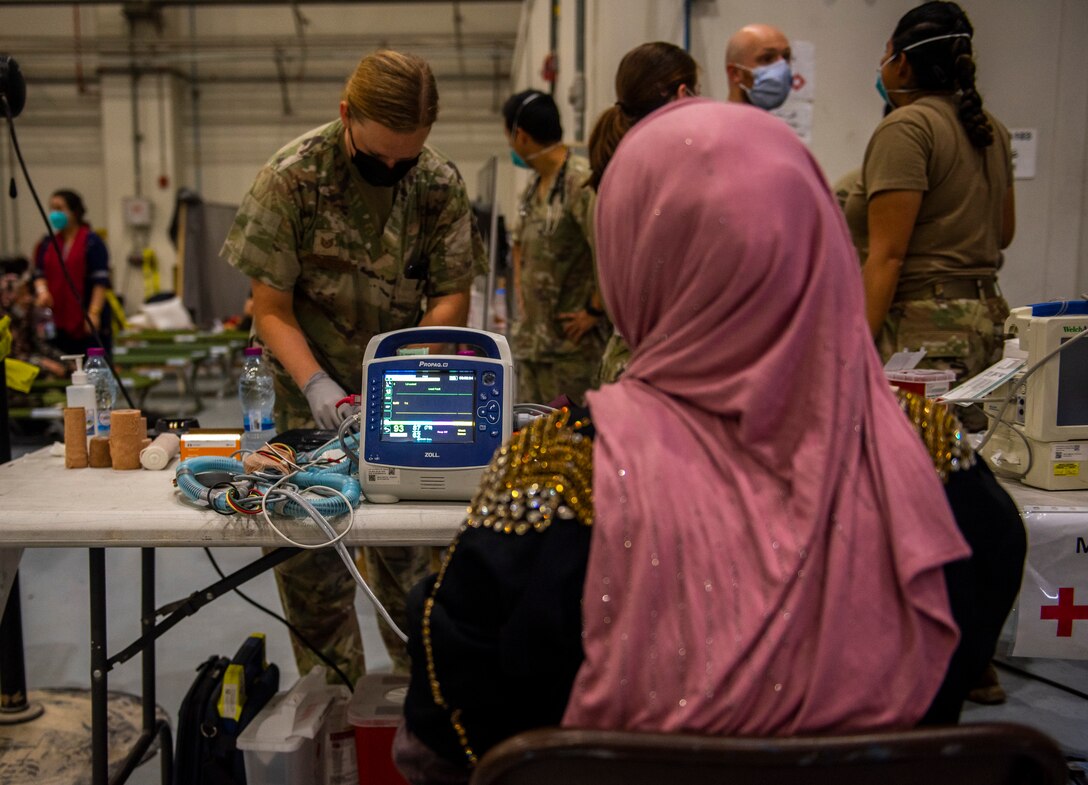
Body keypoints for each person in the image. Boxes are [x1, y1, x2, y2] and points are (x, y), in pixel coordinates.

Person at [395, 98, 991, 784]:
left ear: (633, 255)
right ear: (821, 239)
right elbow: (962, 655)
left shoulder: (558, 470)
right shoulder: (934, 461)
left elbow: (464, 703)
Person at [221, 49, 487, 684]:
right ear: (346, 116)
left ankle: (417, 728)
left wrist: (403, 373)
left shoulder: (439, 184)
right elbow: (270, 306)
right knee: (316, 591)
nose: (391, 170)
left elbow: (451, 294)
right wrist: (318, 386)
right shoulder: (290, 180)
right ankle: (338, 733)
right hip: (304, 415)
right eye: (377, 159)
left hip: (403, 404)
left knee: (413, 587)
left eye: (406, 160)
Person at [844, 1, 1014, 385]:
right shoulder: (993, 129)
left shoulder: (907, 127)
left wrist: (853, 349)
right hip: (989, 321)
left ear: (901, 62)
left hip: (927, 330)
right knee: (972, 444)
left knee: (914, 445)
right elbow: (1004, 233)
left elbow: (889, 257)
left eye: (885, 55)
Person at [586, 41, 699, 385]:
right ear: (683, 94)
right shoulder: (683, 174)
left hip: (626, 357)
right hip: (670, 364)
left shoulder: (619, 172)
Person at [503, 89, 603, 405]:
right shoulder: (534, 187)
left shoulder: (579, 183)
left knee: (569, 445)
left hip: (570, 352)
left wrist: (594, 310)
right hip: (534, 345)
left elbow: (610, 250)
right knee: (531, 443)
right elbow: (519, 244)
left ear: (520, 136)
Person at [32, 189, 112, 355]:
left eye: (59, 208)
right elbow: (39, 274)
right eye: (52, 208)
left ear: (74, 211)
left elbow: (100, 282)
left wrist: (93, 313)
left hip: (85, 315)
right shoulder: (47, 244)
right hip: (56, 317)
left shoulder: (92, 242)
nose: (54, 214)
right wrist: (42, 291)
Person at [724, 23, 793, 110]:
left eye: (786, 57)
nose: (782, 68)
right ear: (735, 73)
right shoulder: (715, 123)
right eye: (767, 59)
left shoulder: (774, 123)